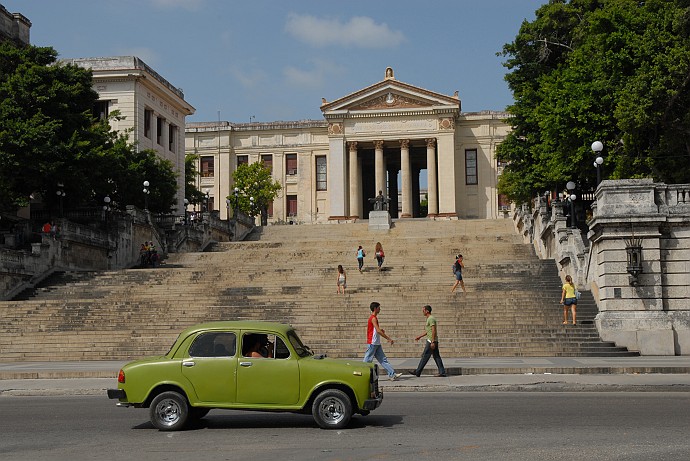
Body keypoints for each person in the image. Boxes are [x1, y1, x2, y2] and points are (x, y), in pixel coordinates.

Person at [363, 302, 402, 381]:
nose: (380, 309)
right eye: (379, 308)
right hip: (373, 342)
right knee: (367, 359)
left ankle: (392, 374)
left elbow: (376, 330)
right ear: (375, 309)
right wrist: (388, 338)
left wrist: (381, 330)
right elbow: (378, 331)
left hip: (376, 343)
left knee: (383, 359)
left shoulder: (374, 318)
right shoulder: (373, 318)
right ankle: (360, 373)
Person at [409, 305, 447, 377]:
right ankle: (442, 372)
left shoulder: (431, 319)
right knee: (436, 357)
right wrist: (419, 336)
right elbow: (428, 331)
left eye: (423, 310)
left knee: (425, 356)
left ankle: (418, 371)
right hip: (432, 340)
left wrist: (432, 341)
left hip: (431, 341)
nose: (422, 312)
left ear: (427, 311)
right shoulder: (429, 319)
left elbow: (433, 330)